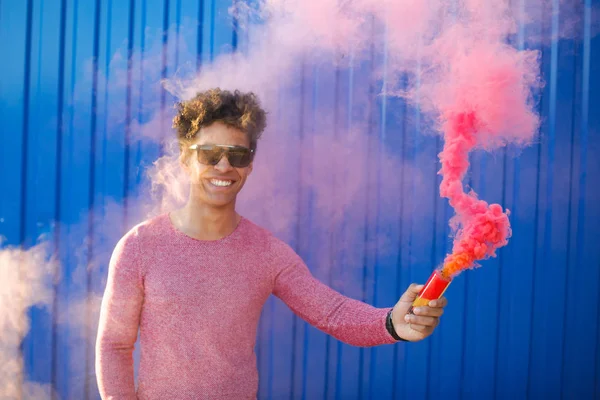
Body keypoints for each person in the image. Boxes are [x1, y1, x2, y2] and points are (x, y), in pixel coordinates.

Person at [95, 88, 448, 399]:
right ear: (186, 159)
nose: (223, 165)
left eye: (238, 155)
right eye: (209, 153)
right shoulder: (140, 246)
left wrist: (391, 324)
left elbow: (333, 313)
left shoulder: (267, 253)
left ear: (249, 166)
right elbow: (114, 345)